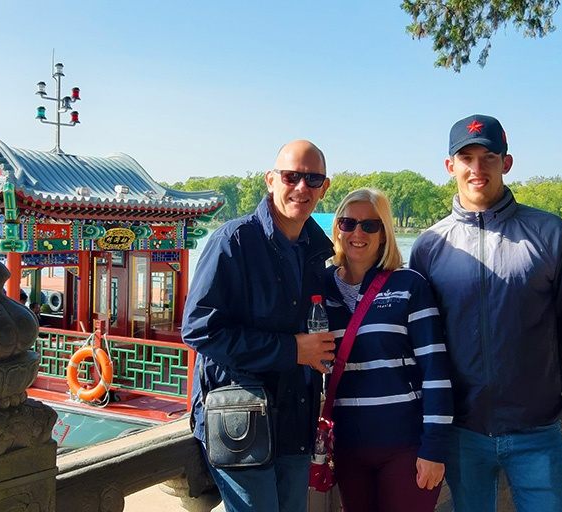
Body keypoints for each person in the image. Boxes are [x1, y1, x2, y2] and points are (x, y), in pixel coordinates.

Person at [409, 114, 562, 512]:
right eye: (466, 157)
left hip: (536, 428)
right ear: (450, 166)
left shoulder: (552, 234)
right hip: (462, 429)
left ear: (506, 162)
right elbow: (424, 339)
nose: (477, 168)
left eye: (488, 157)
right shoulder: (429, 247)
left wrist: (542, 389)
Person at [182, 140, 336, 512]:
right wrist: (292, 350)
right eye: (291, 176)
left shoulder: (316, 251)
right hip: (241, 419)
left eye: (313, 179)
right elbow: (199, 328)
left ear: (324, 187)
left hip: (296, 421)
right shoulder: (233, 241)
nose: (302, 187)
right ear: (271, 180)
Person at [323, 188, 453, 512]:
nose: (357, 233)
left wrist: (434, 447)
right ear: (337, 228)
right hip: (347, 447)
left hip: (405, 446)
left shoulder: (409, 285)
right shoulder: (318, 288)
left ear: (384, 234)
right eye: (348, 223)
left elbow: (436, 372)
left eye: (370, 225)